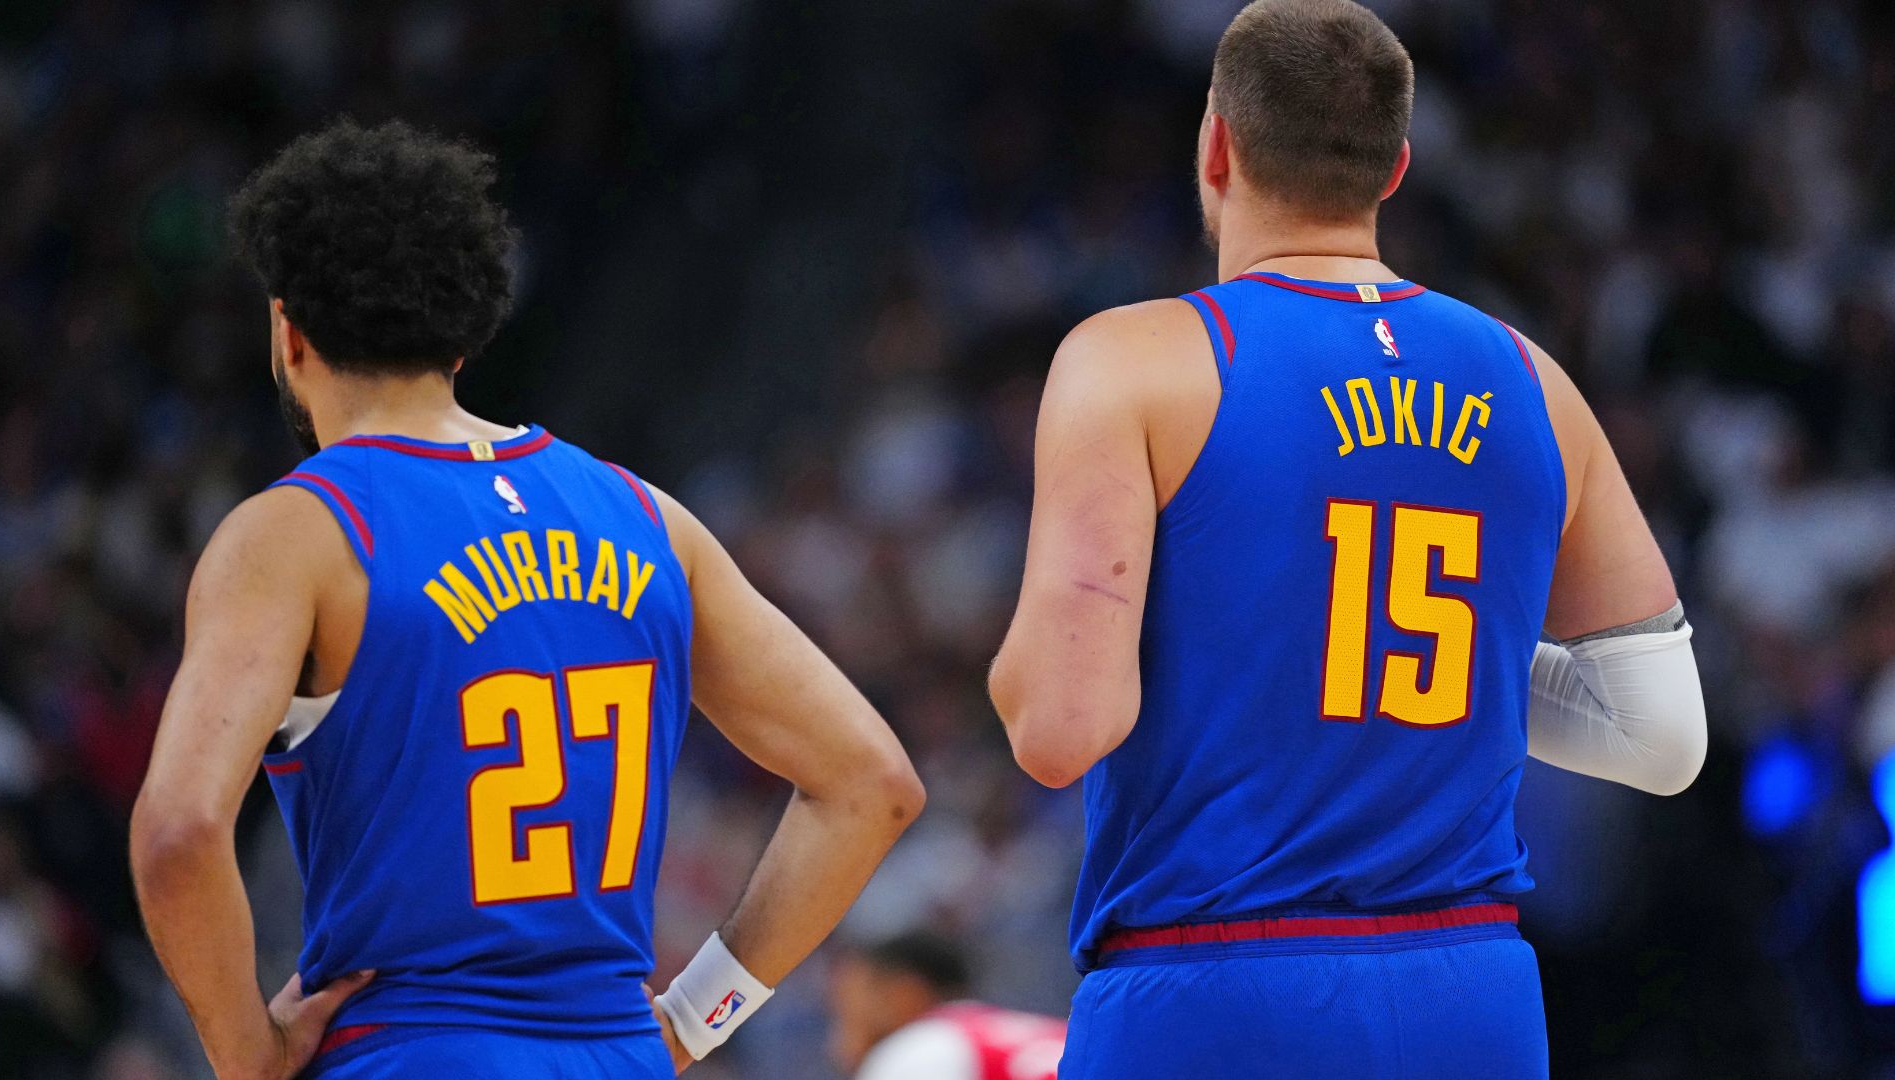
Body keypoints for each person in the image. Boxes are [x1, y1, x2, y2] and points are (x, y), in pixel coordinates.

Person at [986, 1, 1708, 1076]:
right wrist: (1455, 661)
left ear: (1218, 144)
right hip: (1473, 995)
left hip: (1217, 991)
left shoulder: (1130, 360)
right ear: (1396, 167)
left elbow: (1058, 727)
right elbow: (1661, 737)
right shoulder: (1530, 377)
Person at [128, 119, 924, 1080]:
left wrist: (248, 1058)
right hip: (617, 1055)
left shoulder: (296, 534)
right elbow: (872, 784)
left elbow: (178, 833)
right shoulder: (645, 516)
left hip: (412, 1052)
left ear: (289, 333)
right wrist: (692, 1020)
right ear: (465, 337)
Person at [829, 932, 1065, 1080]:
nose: (837, 1045)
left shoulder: (914, 1054)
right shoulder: (1063, 1034)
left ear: (902, 995)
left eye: (846, 1014)